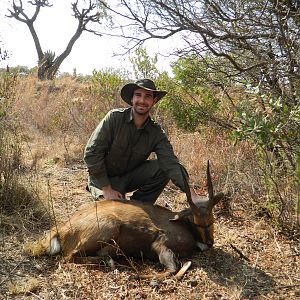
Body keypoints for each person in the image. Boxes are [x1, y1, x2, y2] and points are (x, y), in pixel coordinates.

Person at [84, 78, 197, 202]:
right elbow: (92, 153)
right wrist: (107, 189)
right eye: (138, 95)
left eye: (148, 96)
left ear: (154, 101)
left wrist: (191, 193)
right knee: (111, 212)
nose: (142, 101)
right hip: (102, 181)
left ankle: (140, 205)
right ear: (132, 98)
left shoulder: (156, 133)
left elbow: (170, 163)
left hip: (129, 178)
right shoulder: (114, 118)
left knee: (163, 167)